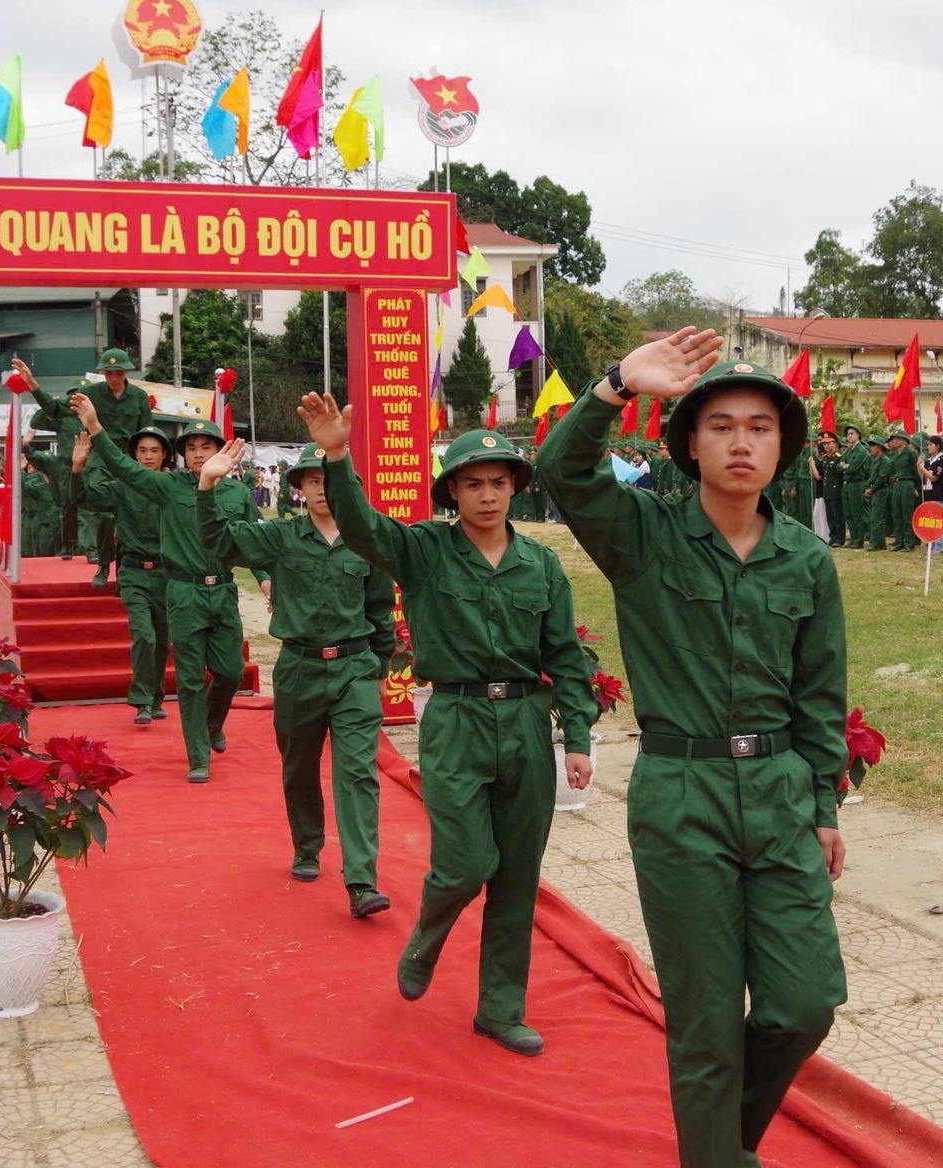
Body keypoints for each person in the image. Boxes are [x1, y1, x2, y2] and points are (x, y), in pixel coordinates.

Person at [535, 339, 851, 1168]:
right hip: (682, 795)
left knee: (803, 1002)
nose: (741, 441)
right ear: (691, 445)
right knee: (708, 1022)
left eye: (759, 426)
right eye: (721, 426)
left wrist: (824, 803)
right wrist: (612, 387)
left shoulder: (805, 560)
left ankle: (721, 1133)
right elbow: (560, 470)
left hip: (782, 790)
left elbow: (822, 692)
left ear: (782, 446)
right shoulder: (642, 537)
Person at [302, 397, 596, 1059]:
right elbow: (361, 528)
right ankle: (426, 939)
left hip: (524, 719)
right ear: (452, 491)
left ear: (515, 487)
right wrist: (338, 457)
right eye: (472, 483)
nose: (487, 495)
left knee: (518, 876)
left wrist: (575, 734)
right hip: (457, 720)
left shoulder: (541, 566)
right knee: (465, 865)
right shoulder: (425, 549)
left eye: (498, 481)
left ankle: (500, 1008)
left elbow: (564, 657)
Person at [197, 440, 398, 920]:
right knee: (300, 765)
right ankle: (307, 844)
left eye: (330, 480)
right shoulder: (282, 537)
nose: (323, 489)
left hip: (354, 668)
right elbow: (221, 543)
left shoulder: (366, 540)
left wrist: (380, 669)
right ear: (300, 489)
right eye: (312, 480)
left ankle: (361, 880)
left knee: (357, 774)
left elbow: (380, 609)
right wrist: (208, 484)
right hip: (299, 668)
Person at [76, 401, 268, 780]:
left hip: (223, 591)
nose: (199, 454)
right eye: (192, 448)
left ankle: (213, 724)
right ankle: (198, 755)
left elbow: (253, 539)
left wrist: (264, 577)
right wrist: (96, 428)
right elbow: (124, 468)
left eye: (206, 447)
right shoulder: (167, 487)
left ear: (219, 452)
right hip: (182, 592)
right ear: (183, 455)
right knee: (191, 679)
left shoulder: (236, 495)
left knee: (230, 672)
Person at [15, 352, 154, 587]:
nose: (114, 377)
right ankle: (100, 558)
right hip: (100, 456)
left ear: (127, 372)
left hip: (128, 458)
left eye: (118, 372)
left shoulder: (139, 397)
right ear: (103, 373)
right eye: (109, 373)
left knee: (136, 510)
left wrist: (149, 460)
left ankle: (130, 562)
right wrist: (32, 384)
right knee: (101, 511)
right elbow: (54, 408)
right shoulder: (91, 394)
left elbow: (147, 431)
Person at [82, 423, 176, 725]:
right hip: (134, 573)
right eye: (142, 450)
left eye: (155, 451)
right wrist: (77, 467)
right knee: (144, 635)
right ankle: (142, 701)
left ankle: (157, 696)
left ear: (164, 455)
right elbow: (85, 498)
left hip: (167, 574)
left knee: (162, 638)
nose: (148, 456)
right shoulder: (122, 486)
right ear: (133, 454)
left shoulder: (174, 487)